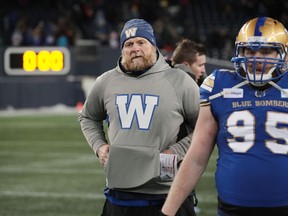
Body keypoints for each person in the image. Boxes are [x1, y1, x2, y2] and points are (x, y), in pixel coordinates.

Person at [161, 16, 288, 216]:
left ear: (283, 53)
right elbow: (196, 158)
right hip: (233, 208)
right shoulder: (220, 85)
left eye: (266, 51)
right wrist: (167, 212)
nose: (256, 58)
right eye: (250, 51)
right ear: (240, 52)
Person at [78, 18, 200, 216]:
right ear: (122, 50)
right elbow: (87, 117)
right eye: (129, 44)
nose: (135, 48)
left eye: (141, 42)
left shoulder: (180, 81)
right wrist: (99, 146)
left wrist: (177, 150)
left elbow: (205, 128)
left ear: (153, 46)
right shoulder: (106, 82)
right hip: (119, 195)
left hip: (166, 196)